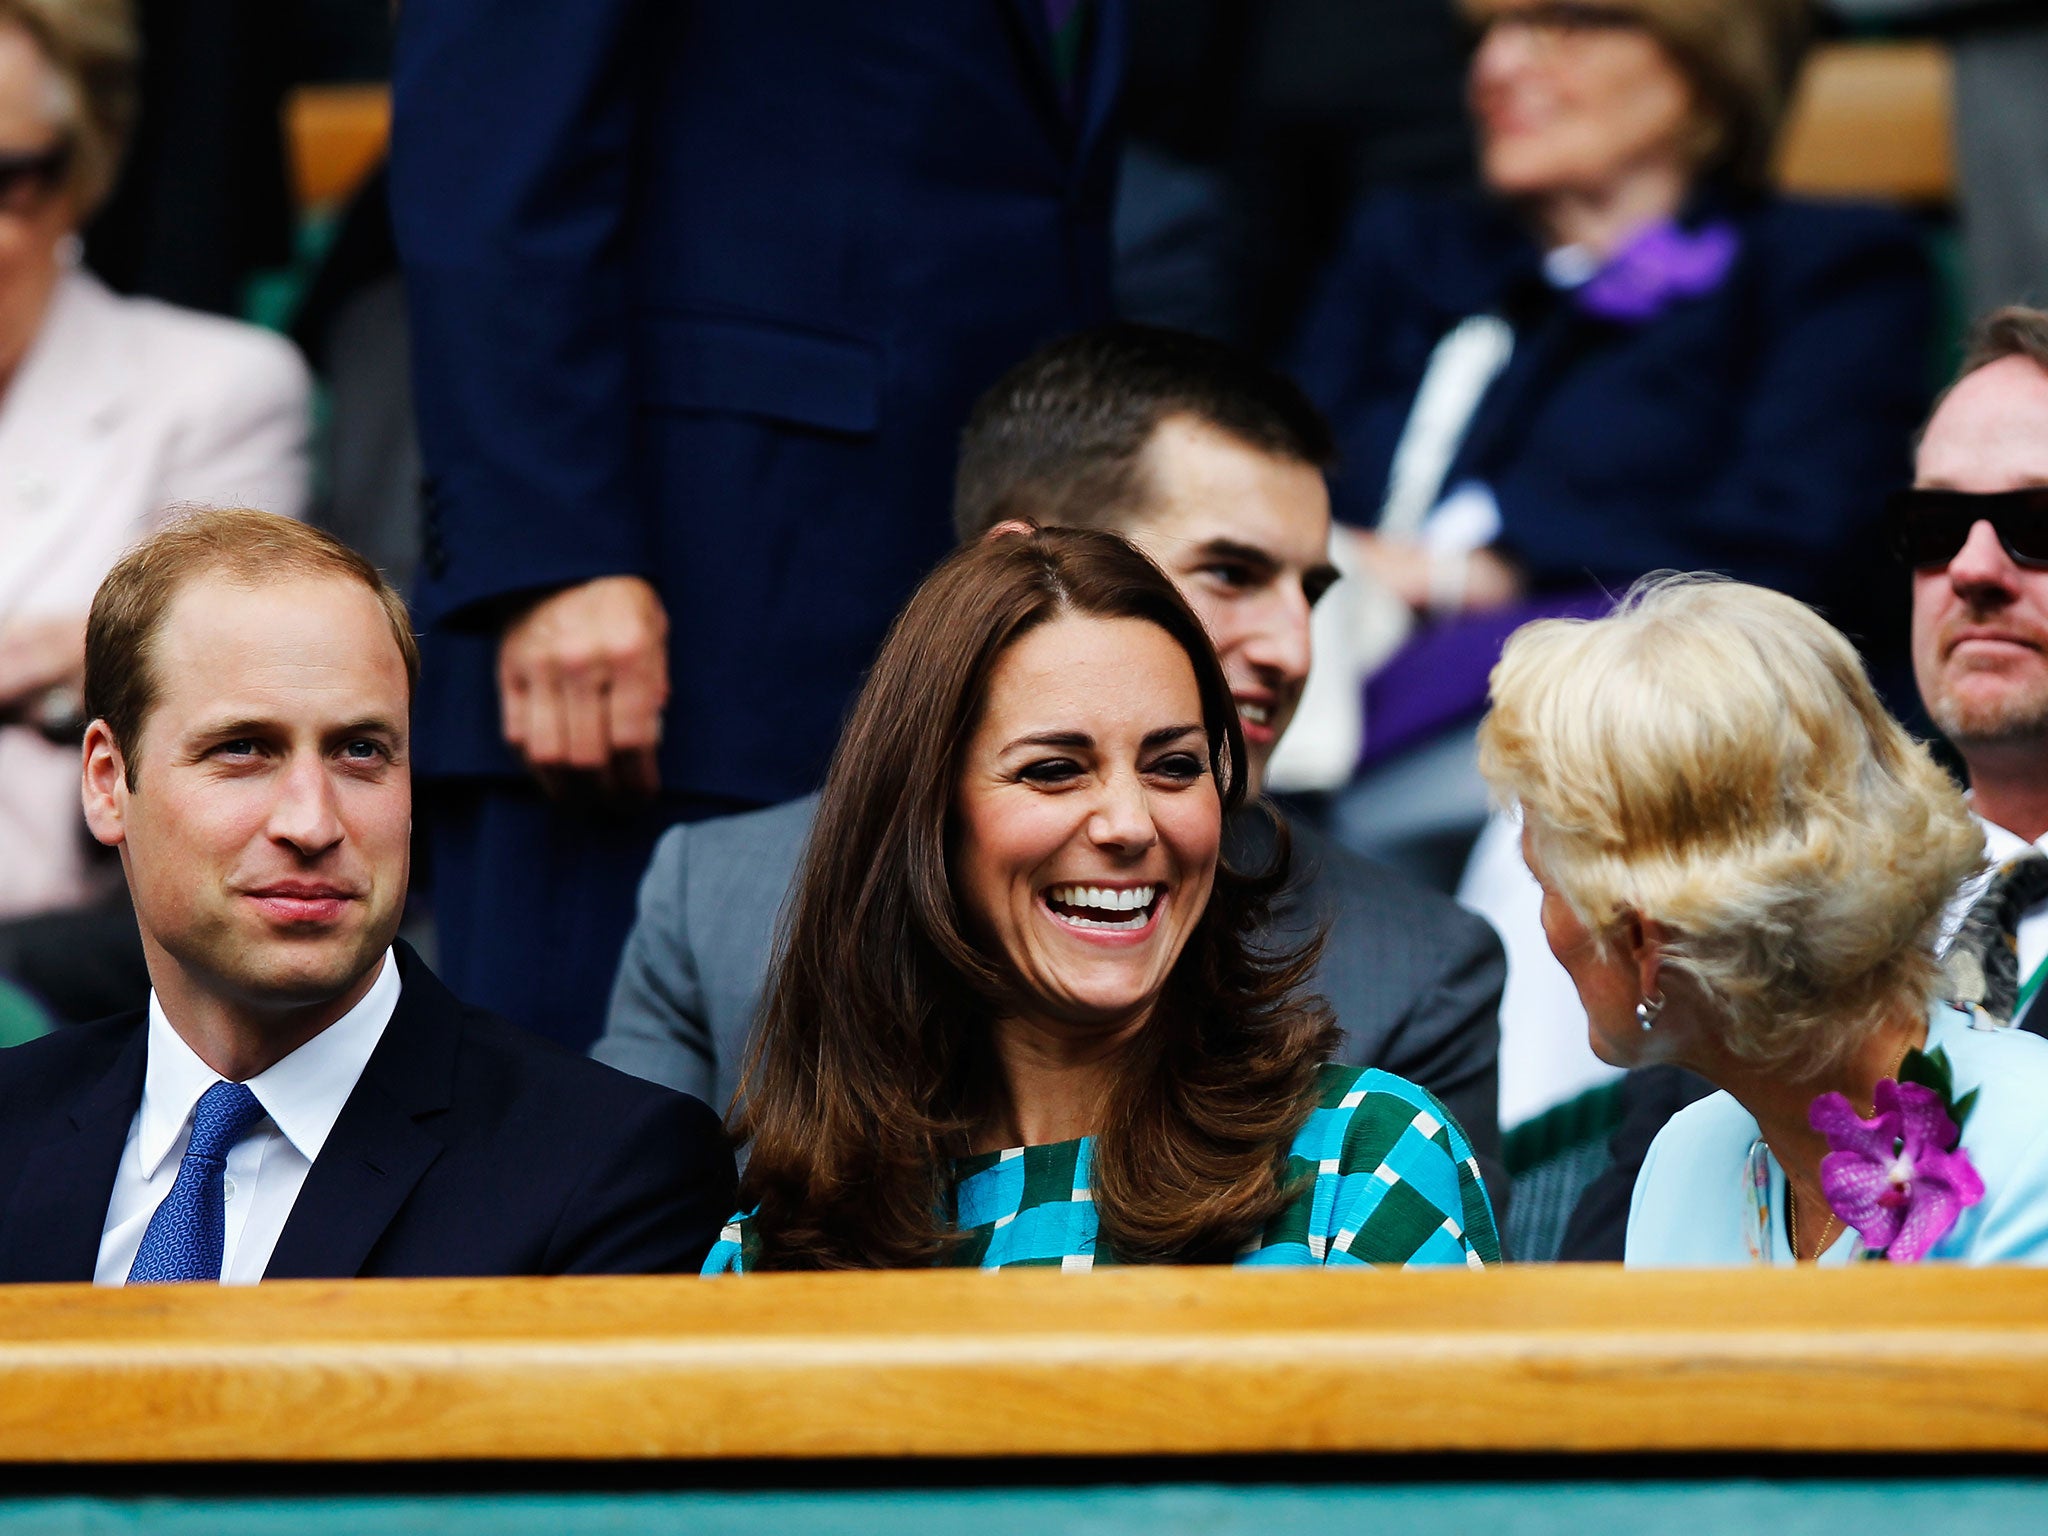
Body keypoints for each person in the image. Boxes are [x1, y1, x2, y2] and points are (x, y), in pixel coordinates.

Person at [595, 325, 1508, 1187]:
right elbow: (624, 1306)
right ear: (1020, 568)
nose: (1295, 648)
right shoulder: (717, 901)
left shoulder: (1417, 968)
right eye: (1230, 574)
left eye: (1310, 592)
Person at [389, 0, 1126, 1052]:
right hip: (672, 630)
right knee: (591, 1175)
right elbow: (488, 131)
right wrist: (550, 553)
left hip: (945, 617)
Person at [707, 527, 1499, 1271]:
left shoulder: (1361, 1160)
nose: (1129, 823)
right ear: (924, 819)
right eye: (1054, 770)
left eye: (1175, 766)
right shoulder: (779, 1248)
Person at [0, 510, 733, 1283]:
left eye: (361, 751)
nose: (312, 823)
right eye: (242, 749)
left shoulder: (606, 1171)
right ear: (108, 782)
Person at [1284, 0, 1929, 876]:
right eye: (1487, 37)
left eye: (1562, 26)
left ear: (1701, 59)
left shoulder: (1823, 269)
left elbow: (1800, 546)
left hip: (1617, 715)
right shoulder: (1406, 249)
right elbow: (1279, 467)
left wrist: (1478, 575)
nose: (1497, 67)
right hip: (1328, 665)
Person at [1559, 304, 2048, 1260]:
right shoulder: (1773, 874)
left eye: (2039, 524)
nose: (1974, 569)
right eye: (1935, 523)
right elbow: (1617, 1283)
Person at [1481, 575, 2048, 1265]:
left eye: (1546, 883)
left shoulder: (2030, 1152)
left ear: (1643, 932)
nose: (1548, 932)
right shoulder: (1685, 1162)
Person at [0, 0, 309, 925]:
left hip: (61, 954)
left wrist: (97, 658)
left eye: (9, 179)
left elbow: (221, 687)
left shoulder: (218, 388)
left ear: (81, 173)